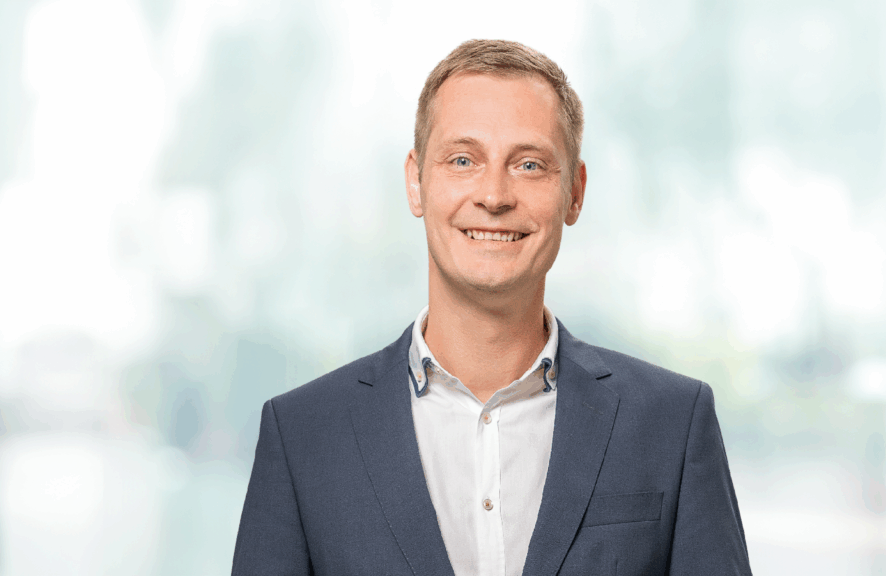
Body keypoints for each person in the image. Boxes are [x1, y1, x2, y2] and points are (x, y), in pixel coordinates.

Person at [232, 39, 752, 576]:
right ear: (416, 181)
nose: (495, 195)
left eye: (529, 164)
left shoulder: (672, 423)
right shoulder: (304, 436)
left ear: (575, 192)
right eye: (463, 160)